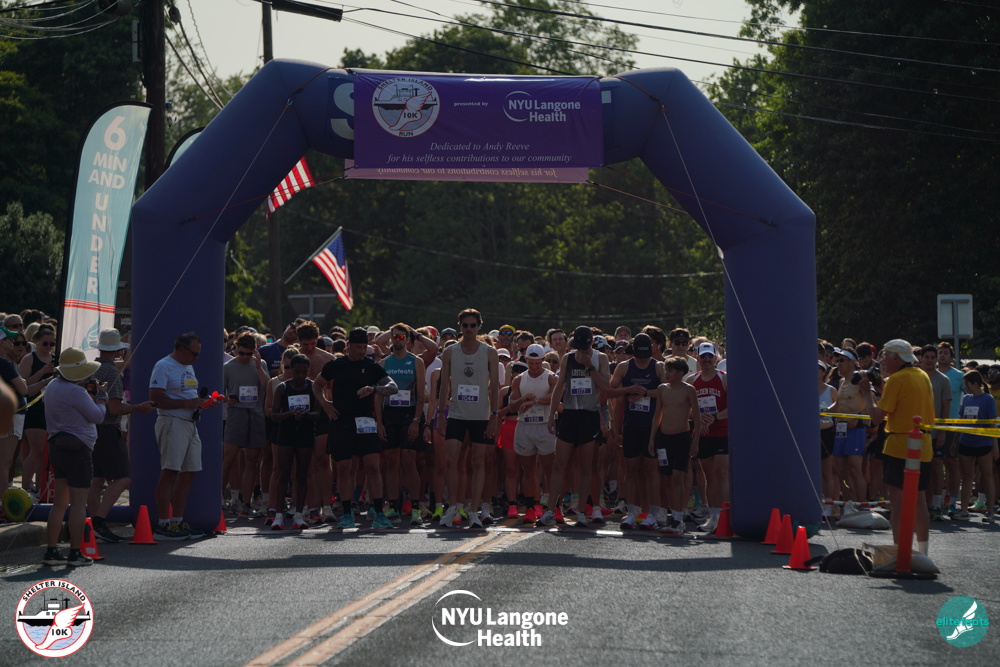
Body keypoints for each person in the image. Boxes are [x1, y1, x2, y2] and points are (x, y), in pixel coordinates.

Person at [314, 327, 398, 530]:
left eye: (364, 347)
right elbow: (316, 385)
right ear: (348, 346)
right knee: (344, 468)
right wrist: (325, 404)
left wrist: (374, 389)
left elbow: (393, 387)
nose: (361, 351)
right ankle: (347, 512)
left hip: (365, 421)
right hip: (341, 420)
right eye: (358, 347)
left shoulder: (371, 366)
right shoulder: (335, 365)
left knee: (372, 466)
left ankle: (378, 512)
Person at [41, 348, 109, 567]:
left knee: (59, 503)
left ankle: (52, 551)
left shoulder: (52, 386)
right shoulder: (76, 392)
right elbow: (97, 416)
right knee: (79, 504)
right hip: (78, 450)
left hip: (56, 446)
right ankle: (74, 553)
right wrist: (101, 399)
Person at [87, 329, 155, 543]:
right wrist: (139, 408)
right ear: (118, 350)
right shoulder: (112, 373)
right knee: (123, 478)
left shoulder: (91, 369)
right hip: (108, 429)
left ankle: (92, 526)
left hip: (90, 428)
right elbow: (115, 408)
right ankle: (99, 521)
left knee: (96, 480)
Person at [149, 332, 218, 540]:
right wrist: (187, 403)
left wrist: (203, 403)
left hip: (190, 423)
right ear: (181, 349)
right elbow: (155, 399)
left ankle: (177, 522)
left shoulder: (188, 366)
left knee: (189, 473)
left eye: (198, 354)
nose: (196, 358)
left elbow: (188, 395)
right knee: (170, 472)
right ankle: (163, 524)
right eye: (194, 354)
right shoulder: (163, 366)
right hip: (172, 422)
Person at [436, 309, 501, 529]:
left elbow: (495, 387)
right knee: (451, 460)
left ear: (479, 326)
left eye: (473, 325)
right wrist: (441, 414)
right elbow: (444, 386)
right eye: (465, 325)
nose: (469, 329)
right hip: (456, 413)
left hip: (481, 414)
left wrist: (494, 416)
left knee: (478, 462)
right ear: (460, 327)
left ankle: (474, 510)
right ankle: (453, 507)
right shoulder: (450, 351)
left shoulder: (490, 352)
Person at [870, 339, 935, 555]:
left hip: (900, 444)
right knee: (919, 502)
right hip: (923, 444)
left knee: (897, 504)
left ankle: (899, 553)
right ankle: (923, 552)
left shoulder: (897, 379)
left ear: (896, 357)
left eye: (885, 355)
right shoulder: (922, 375)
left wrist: (866, 392)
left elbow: (877, 417)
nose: (882, 359)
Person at [541, 326, 611, 527]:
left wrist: (590, 366)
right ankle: (551, 510)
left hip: (589, 415)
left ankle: (581, 511)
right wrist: (551, 416)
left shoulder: (600, 358)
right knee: (559, 464)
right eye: (577, 347)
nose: (580, 351)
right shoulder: (568, 358)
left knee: (585, 466)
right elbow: (559, 387)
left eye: (583, 347)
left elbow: (606, 387)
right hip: (569, 414)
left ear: (591, 343)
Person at [379, 323, 427, 526]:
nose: (397, 340)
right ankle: (392, 506)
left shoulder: (416, 361)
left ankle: (416, 507)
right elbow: (378, 395)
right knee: (392, 461)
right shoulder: (384, 363)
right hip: (390, 414)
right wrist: (379, 422)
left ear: (407, 339)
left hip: (410, 413)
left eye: (401, 337)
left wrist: (416, 421)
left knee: (409, 460)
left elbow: (421, 395)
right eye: (394, 337)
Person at [648, 356, 701, 535]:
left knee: (678, 477)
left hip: (682, 438)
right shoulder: (662, 389)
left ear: (680, 373)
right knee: (666, 477)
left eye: (670, 371)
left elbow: (697, 417)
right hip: (664, 438)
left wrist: (695, 441)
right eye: (666, 370)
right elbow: (657, 415)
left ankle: (678, 517)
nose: (666, 374)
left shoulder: (689, 390)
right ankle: (667, 513)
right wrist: (652, 439)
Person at [270, 354, 321, 530]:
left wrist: (305, 414)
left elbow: (318, 413)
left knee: (302, 474)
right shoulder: (282, 388)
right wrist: (290, 413)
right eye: (297, 372)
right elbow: (274, 415)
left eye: (304, 372)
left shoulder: (313, 387)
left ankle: (299, 514)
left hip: (305, 434)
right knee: (283, 473)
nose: (301, 375)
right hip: (285, 434)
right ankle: (278, 515)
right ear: (291, 370)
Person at [221, 333, 270, 517]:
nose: (245, 357)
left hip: (256, 414)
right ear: (235, 349)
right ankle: (220, 498)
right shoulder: (228, 367)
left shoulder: (260, 364)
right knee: (229, 458)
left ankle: (246, 502)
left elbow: (267, 387)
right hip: (236, 414)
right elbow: (220, 393)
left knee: (252, 461)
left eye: (249, 354)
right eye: (242, 353)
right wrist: (227, 399)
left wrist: (258, 367)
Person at [510, 345, 558, 524]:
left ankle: (554, 508)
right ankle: (531, 507)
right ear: (526, 361)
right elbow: (512, 405)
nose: (534, 367)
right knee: (528, 470)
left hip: (544, 426)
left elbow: (556, 397)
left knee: (549, 470)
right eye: (531, 363)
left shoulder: (551, 377)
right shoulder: (519, 379)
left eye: (537, 363)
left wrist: (535, 401)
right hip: (525, 426)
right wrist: (523, 400)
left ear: (543, 361)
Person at [690, 342, 729, 534]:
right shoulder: (692, 380)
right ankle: (713, 516)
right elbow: (686, 408)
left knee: (721, 474)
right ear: (697, 358)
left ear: (715, 358)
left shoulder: (724, 378)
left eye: (709, 356)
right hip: (704, 433)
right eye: (703, 356)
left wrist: (714, 417)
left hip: (722, 432)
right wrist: (699, 419)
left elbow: (735, 405)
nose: (706, 360)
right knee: (709, 476)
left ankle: (725, 516)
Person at [18, 323, 57, 500]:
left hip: (48, 408)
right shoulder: (30, 358)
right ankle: (26, 487)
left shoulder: (55, 359)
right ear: (38, 341)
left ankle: (40, 488)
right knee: (36, 450)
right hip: (33, 408)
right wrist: (42, 372)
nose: (48, 347)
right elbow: (22, 384)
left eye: (52, 344)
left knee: (43, 453)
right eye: (45, 343)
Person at [954, 370, 997, 523]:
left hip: (983, 443)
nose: (965, 387)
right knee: (966, 476)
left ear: (975, 383)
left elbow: (992, 424)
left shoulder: (988, 399)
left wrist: (995, 446)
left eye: (967, 384)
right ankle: (964, 510)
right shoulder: (966, 399)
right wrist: (955, 441)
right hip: (966, 442)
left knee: (987, 476)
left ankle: (990, 512)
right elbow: (961, 420)